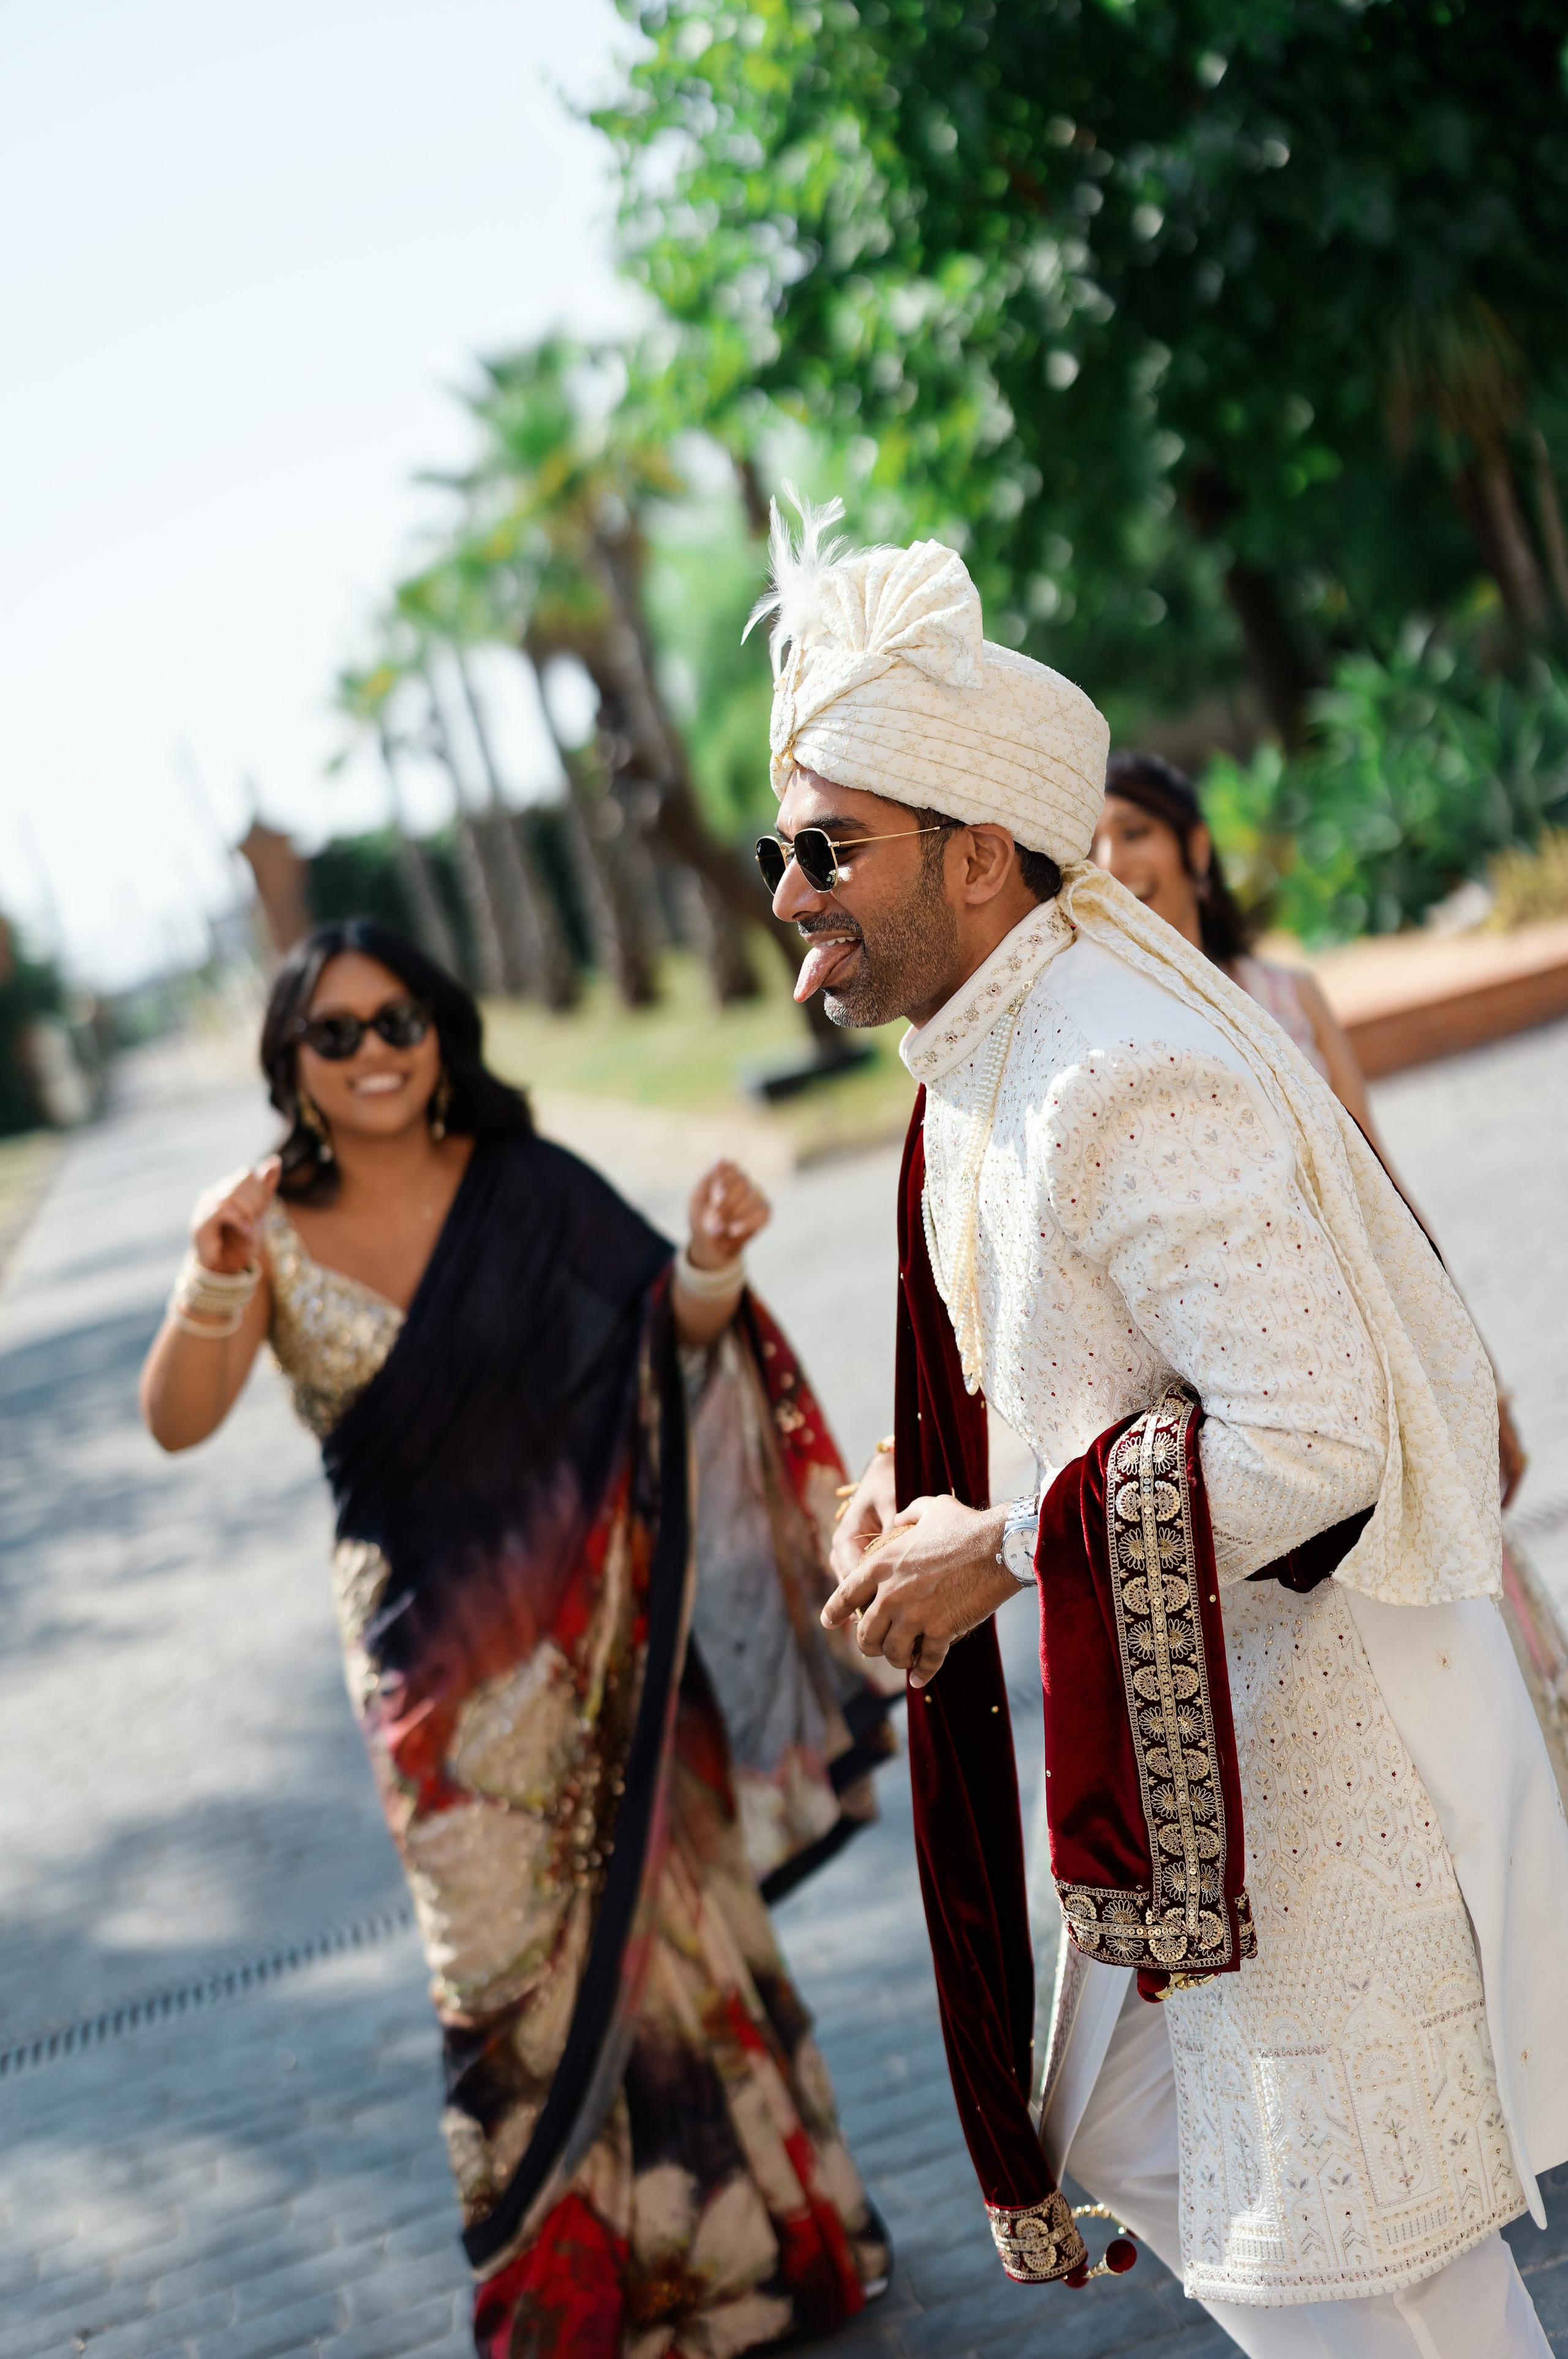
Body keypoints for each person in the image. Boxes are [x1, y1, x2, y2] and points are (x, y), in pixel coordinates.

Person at [745, 493, 1568, 2355]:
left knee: (1375, 2298)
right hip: (1200, 1804)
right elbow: (1057, 1382)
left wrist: (1005, 1545)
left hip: (1318, 1802)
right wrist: (917, 1500)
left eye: (827, 844)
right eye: (778, 843)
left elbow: (1317, 1436)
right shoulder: (986, 1059)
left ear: (978, 858)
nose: (789, 888)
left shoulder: (1114, 1065)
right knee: (1339, 2269)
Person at [140, 916, 893, 2359]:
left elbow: (664, 1342)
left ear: (442, 1036)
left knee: (673, 1926)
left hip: (605, 1623)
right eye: (337, 1032)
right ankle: (567, 2300)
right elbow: (177, 1421)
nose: (373, 1053)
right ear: (290, 1063)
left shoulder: (528, 1185)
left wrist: (717, 1259)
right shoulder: (266, 1227)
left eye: (398, 1021)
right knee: (496, 1980)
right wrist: (211, 1268)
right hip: (430, 1675)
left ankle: (743, 2259)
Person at [1090, 753, 1567, 1789]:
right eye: (1089, 844)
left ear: (1195, 848)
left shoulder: (1287, 997)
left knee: (1482, 1661)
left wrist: (1477, 1381)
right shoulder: (1109, 1044)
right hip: (1268, 1415)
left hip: (1387, 1356)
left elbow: (1389, 1198)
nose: (1112, 860)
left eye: (1133, 830)